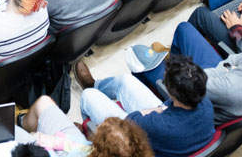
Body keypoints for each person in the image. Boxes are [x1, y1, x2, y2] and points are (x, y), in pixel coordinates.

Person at [127, 21, 242, 120]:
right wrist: (226, 69)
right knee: (184, 29)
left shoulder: (230, 88)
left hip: (197, 95)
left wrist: (188, 70)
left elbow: (197, 82)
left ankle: (155, 92)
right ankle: (172, 59)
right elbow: (233, 60)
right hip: (218, 77)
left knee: (138, 58)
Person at [77, 53, 215, 157]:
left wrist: (152, 111)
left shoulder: (157, 125)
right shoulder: (204, 102)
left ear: (172, 92)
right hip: (178, 134)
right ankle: (95, 84)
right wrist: (160, 109)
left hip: (144, 140)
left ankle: (89, 138)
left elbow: (130, 121)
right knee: (125, 81)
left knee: (88, 95)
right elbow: (167, 104)